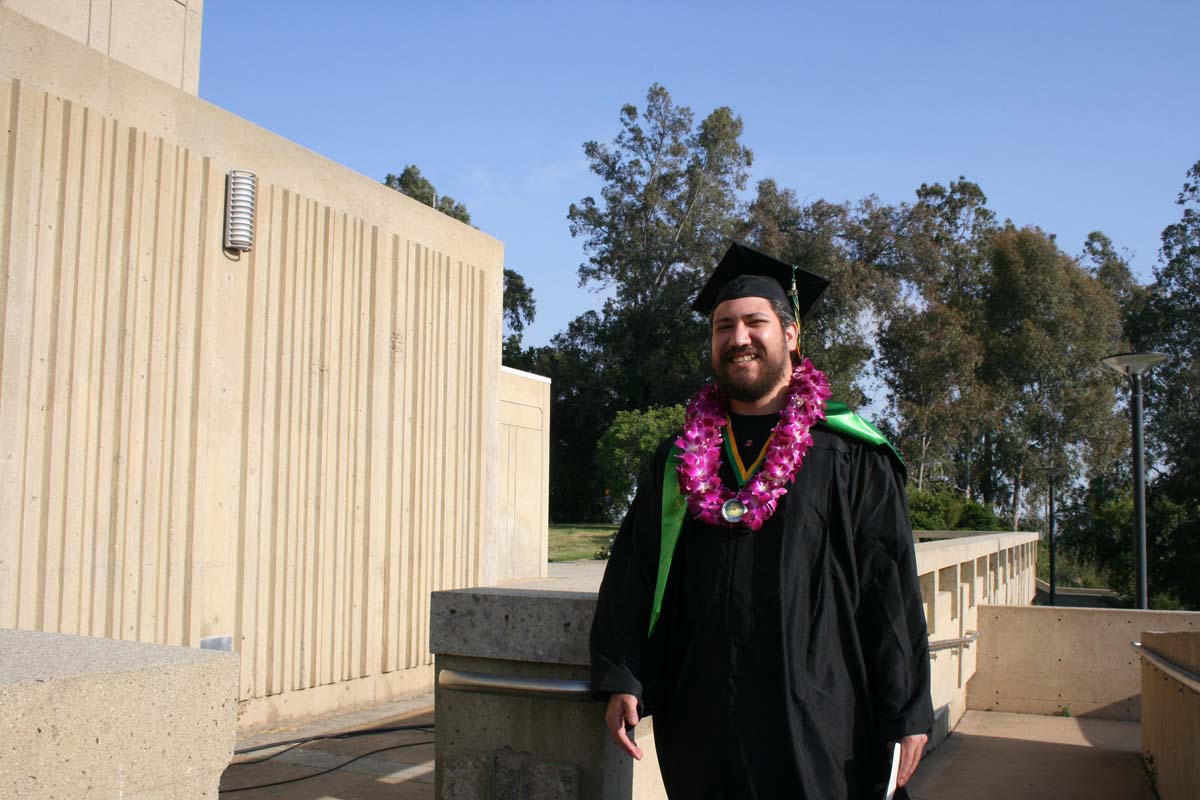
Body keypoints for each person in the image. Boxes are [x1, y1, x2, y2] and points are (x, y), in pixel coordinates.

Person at [589, 242, 933, 799]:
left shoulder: (852, 455)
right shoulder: (679, 457)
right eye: (723, 327)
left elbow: (888, 589)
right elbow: (635, 571)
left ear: (790, 335)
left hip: (820, 715)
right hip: (702, 716)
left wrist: (907, 709)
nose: (738, 338)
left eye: (755, 322)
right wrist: (624, 675)